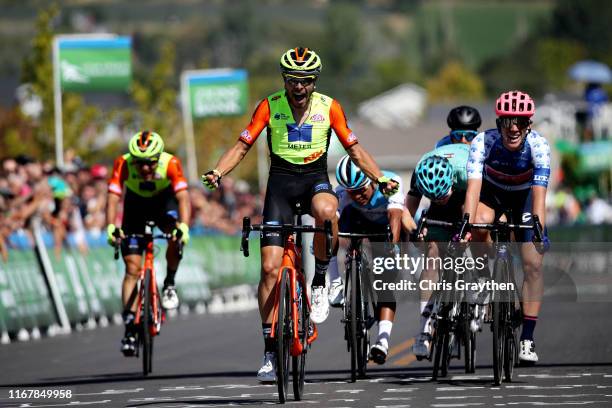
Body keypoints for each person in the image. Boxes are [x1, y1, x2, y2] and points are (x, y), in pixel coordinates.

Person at [201, 47, 398, 382]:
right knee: (268, 269)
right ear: (285, 80)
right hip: (279, 186)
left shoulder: (329, 107)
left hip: (314, 180)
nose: (299, 87)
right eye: (293, 80)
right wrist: (218, 172)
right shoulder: (269, 105)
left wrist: (379, 177)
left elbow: (355, 148)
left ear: (314, 81)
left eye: (306, 81)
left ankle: (320, 279)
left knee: (327, 211)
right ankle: (268, 350)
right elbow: (241, 145)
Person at [462, 90, 551, 364]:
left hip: (524, 199)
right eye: (507, 121)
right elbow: (473, 190)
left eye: (521, 122)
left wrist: (537, 232)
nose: (513, 127)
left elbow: (539, 199)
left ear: (529, 125)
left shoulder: (539, 146)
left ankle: (527, 337)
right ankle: (485, 276)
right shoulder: (483, 142)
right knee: (478, 221)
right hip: (493, 195)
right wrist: (466, 222)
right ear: (498, 122)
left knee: (532, 263)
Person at [106, 131, 191, 356]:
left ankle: (170, 284)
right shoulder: (123, 163)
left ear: (159, 158)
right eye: (140, 163)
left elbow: (183, 198)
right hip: (135, 207)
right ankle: (130, 330)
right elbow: (113, 197)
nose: (144, 169)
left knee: (175, 235)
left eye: (150, 163)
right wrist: (111, 227)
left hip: (164, 203)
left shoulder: (171, 163)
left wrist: (183, 227)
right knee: (132, 269)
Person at [329, 155, 404, 364]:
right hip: (356, 221)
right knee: (326, 236)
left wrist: (393, 248)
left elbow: (396, 216)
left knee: (386, 281)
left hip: (383, 223)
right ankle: (339, 281)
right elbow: (332, 227)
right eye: (352, 192)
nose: (358, 195)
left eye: (361, 190)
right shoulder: (343, 193)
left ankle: (382, 340)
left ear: (372, 181)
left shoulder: (391, 183)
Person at [405, 143, 475, 359]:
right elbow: (408, 211)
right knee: (432, 254)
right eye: (435, 197)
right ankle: (424, 328)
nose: (440, 199)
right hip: (439, 209)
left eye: (442, 196)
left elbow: (475, 203)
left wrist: (468, 230)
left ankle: (473, 298)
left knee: (468, 238)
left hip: (467, 196)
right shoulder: (420, 174)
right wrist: (416, 233)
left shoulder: (464, 171)